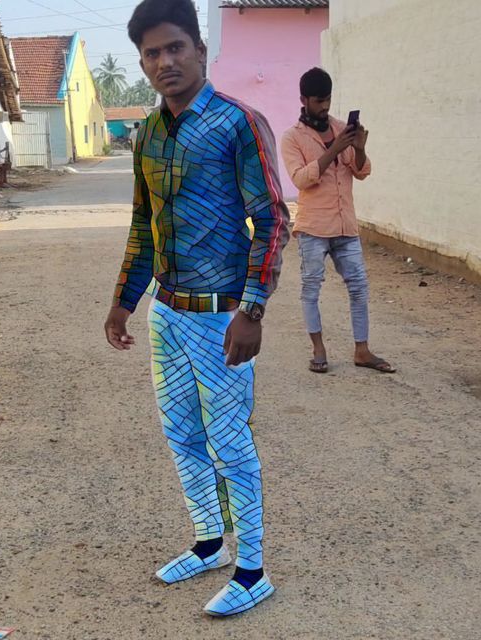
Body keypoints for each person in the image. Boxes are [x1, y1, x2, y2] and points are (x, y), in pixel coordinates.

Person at [104, 0, 289, 617]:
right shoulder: (147, 134)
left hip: (220, 316)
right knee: (181, 432)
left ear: (200, 50)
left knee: (230, 440)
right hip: (166, 312)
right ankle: (210, 542)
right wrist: (123, 302)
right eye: (152, 53)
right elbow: (144, 224)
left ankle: (253, 570)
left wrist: (252, 310)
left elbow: (271, 221)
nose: (165, 62)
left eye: (175, 47)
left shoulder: (239, 123)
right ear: (142, 63)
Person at [281, 67, 395, 374]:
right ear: (304, 100)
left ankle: (362, 350)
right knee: (311, 289)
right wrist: (334, 149)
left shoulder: (343, 129)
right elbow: (301, 179)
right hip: (313, 228)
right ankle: (318, 350)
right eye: (318, 101)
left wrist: (359, 148)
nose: (325, 106)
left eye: (328, 99)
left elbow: (362, 171)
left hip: (346, 225)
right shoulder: (292, 138)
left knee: (359, 287)